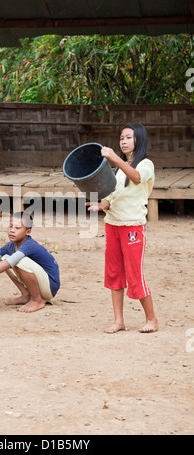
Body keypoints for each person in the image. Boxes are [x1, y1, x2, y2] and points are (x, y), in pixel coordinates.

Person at [87, 123, 158, 334]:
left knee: (135, 274)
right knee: (114, 274)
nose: (123, 141)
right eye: (121, 138)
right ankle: (119, 321)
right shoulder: (119, 170)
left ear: (140, 140)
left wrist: (113, 157)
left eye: (128, 137)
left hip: (132, 227)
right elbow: (112, 196)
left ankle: (152, 320)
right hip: (112, 225)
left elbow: (136, 177)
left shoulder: (146, 165)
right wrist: (102, 205)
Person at [0, 211, 60, 313]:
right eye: (10, 226)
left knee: (18, 261)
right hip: (41, 284)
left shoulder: (29, 245)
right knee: (5, 257)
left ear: (28, 232)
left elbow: (9, 263)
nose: (12, 230)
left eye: (17, 228)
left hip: (49, 286)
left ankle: (37, 300)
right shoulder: (11, 245)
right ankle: (26, 295)